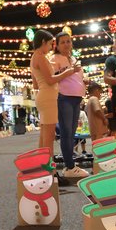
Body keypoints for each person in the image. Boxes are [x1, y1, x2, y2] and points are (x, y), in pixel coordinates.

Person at [30, 29, 78, 183]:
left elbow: (36, 83)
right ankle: (50, 174)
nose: (52, 47)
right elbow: (51, 80)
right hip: (48, 97)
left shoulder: (34, 57)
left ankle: (43, 171)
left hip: (44, 96)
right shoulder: (41, 57)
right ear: (43, 42)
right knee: (48, 139)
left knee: (44, 137)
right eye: (51, 44)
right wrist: (70, 72)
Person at [52, 31, 89, 178]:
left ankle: (70, 165)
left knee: (72, 132)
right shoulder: (55, 58)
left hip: (76, 97)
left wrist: (84, 80)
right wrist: (69, 70)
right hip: (64, 97)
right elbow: (53, 76)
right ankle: (69, 165)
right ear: (57, 45)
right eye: (63, 42)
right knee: (66, 132)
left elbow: (76, 76)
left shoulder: (73, 58)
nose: (66, 44)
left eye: (68, 41)